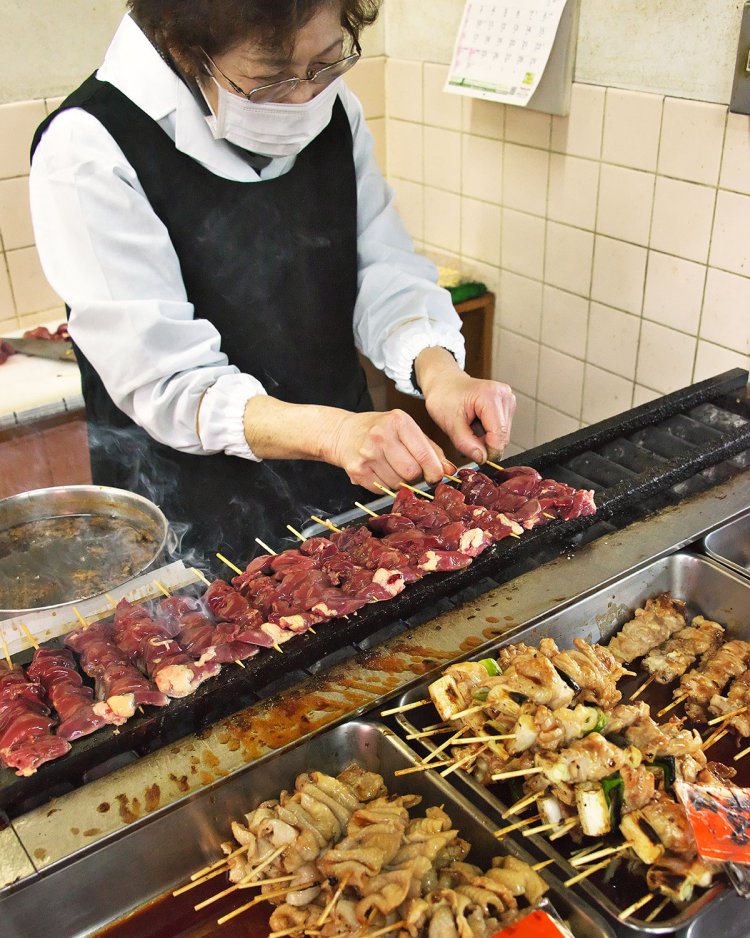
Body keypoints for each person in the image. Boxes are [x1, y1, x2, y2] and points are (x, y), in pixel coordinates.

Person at [30, 0, 516, 559]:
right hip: (188, 506)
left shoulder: (331, 109)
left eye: (327, 62)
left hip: (342, 478)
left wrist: (440, 372)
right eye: (269, 81)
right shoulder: (89, 147)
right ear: (189, 53)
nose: (305, 99)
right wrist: (333, 434)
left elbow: (378, 266)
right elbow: (166, 381)